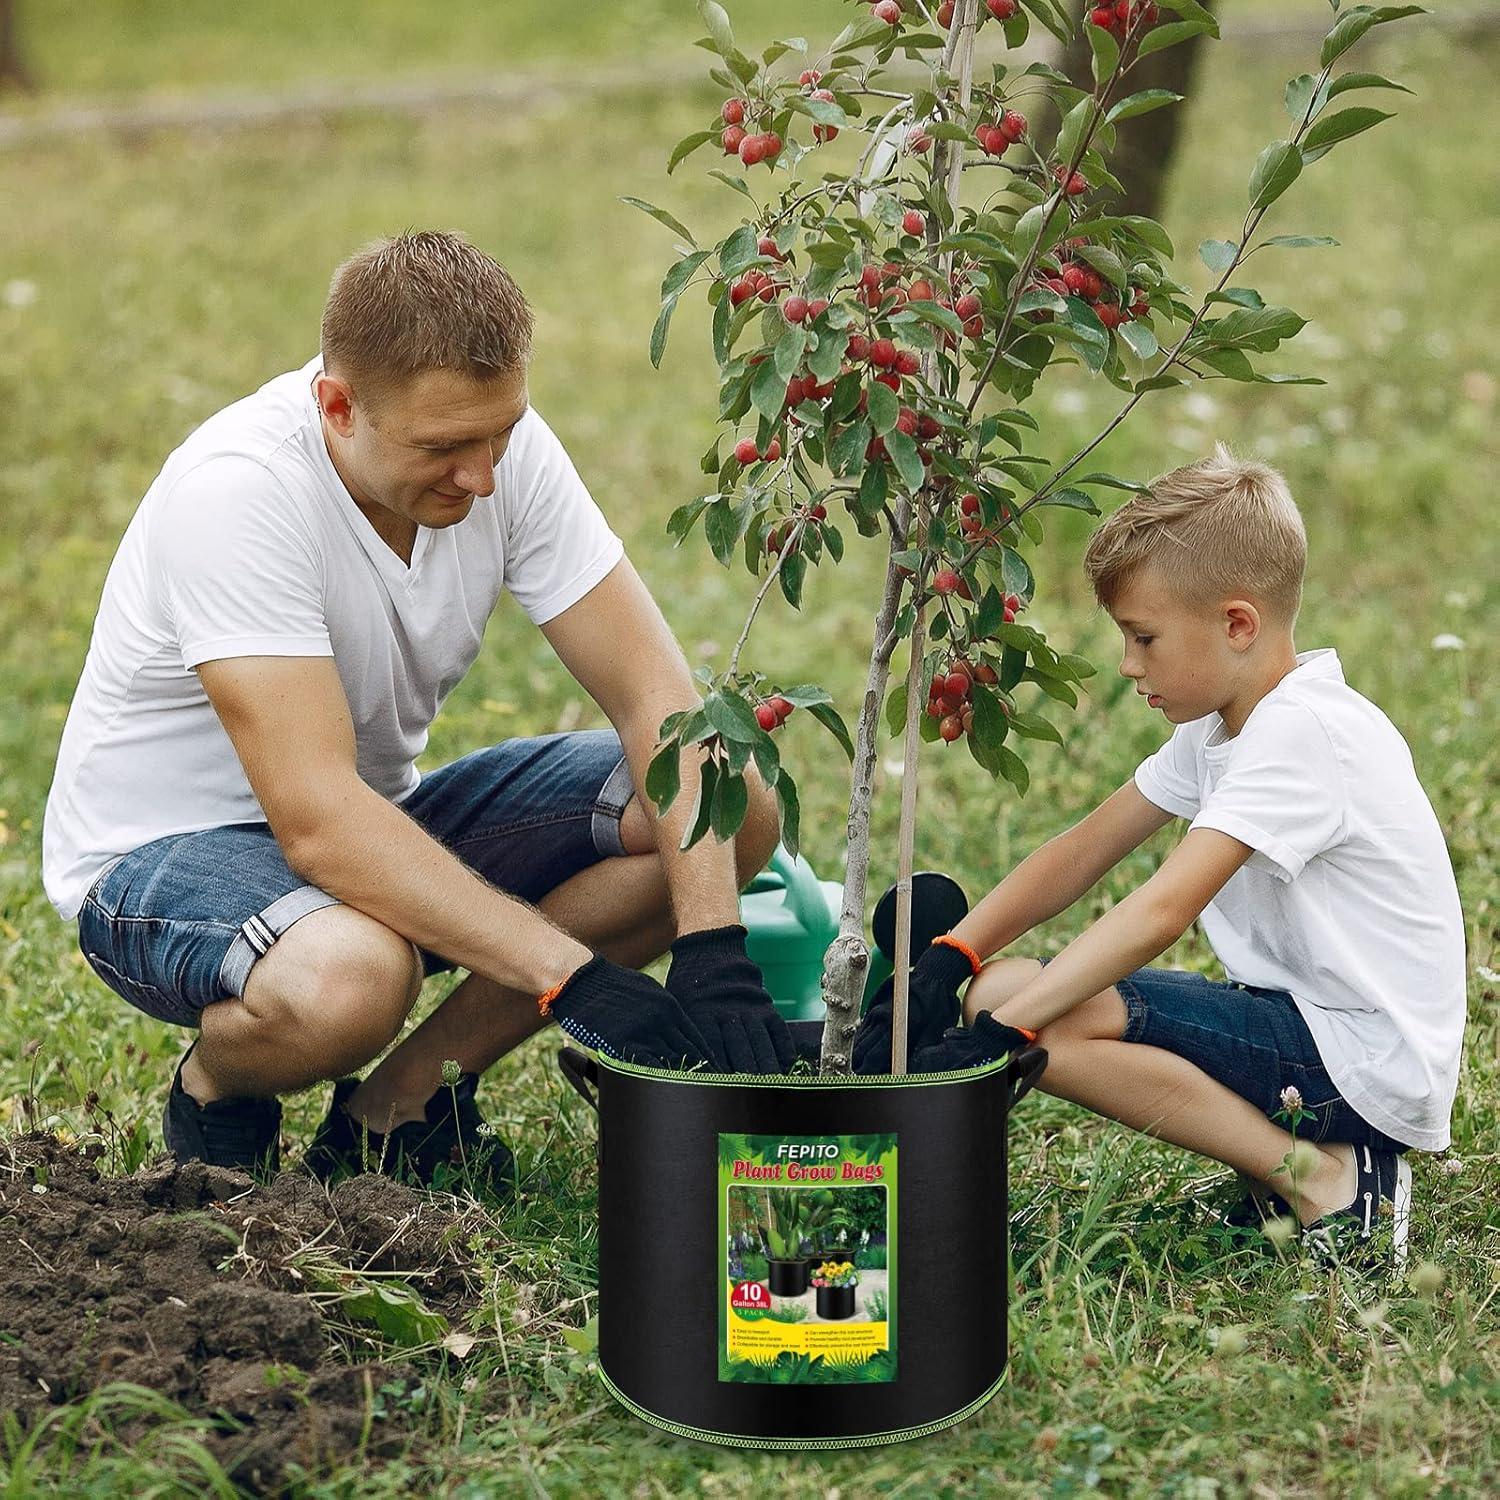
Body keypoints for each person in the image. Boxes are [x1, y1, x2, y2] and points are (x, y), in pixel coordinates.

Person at [42, 230, 797, 1192]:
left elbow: (658, 699)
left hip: (371, 820)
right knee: (355, 978)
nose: (482, 478)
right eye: (442, 448)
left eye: (500, 434)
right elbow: (317, 820)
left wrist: (713, 946)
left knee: (732, 800)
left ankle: (397, 1108)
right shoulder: (237, 492)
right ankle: (216, 1086)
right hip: (164, 858)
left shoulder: (498, 449)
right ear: (337, 406)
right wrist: (571, 974)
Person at [854, 447, 1466, 1271]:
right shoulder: (1224, 724)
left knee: (1033, 1026)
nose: (1129, 664)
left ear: (1237, 625)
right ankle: (1298, 1163)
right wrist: (951, 956)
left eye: (1144, 637)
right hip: (1308, 1027)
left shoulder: (1302, 734)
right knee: (1002, 992)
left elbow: (1162, 910)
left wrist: (1006, 1030)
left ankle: (1329, 1182)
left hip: (1365, 1063)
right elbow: (1084, 850)